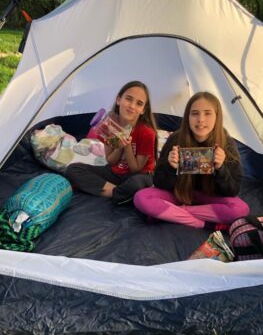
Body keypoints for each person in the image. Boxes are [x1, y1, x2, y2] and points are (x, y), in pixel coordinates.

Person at [134, 91, 249, 230]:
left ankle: (172, 212)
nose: (200, 119)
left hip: (208, 198)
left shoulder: (226, 143)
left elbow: (233, 190)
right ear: (187, 116)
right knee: (141, 197)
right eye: (194, 113)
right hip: (178, 193)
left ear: (217, 117)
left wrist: (221, 168)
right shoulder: (176, 139)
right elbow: (158, 182)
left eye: (207, 113)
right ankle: (203, 224)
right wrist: (171, 167)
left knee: (240, 209)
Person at [65, 80, 158, 205]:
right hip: (115, 175)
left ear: (143, 110)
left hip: (139, 176)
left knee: (137, 184)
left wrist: (127, 145)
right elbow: (110, 161)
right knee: (73, 169)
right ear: (118, 100)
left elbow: (136, 169)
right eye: (128, 99)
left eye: (139, 103)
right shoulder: (108, 126)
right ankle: (119, 194)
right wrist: (119, 148)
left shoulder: (147, 133)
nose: (132, 106)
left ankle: (119, 193)